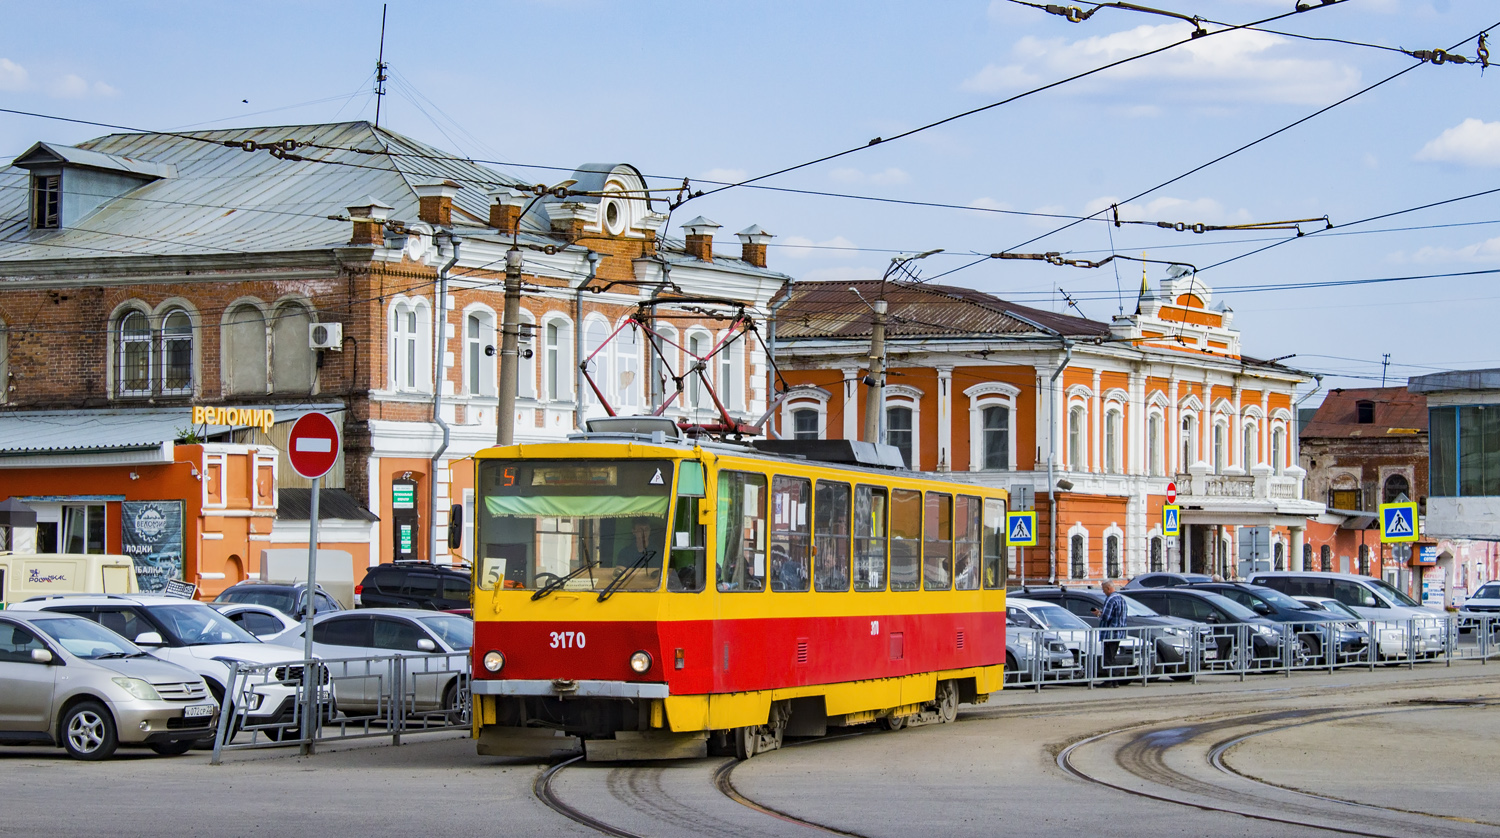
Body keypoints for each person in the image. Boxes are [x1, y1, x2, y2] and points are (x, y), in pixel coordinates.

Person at [1097, 579, 1129, 680]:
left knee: (1108, 659)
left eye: (1103, 589)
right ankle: (1113, 680)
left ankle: (1113, 678)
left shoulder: (1111, 599)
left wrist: (1098, 614)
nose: (1103, 592)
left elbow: (1106, 617)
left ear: (1108, 588)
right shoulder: (1121, 599)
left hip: (1109, 634)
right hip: (1119, 633)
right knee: (1112, 656)